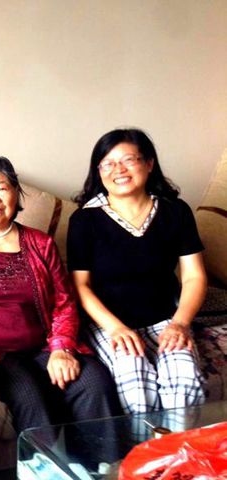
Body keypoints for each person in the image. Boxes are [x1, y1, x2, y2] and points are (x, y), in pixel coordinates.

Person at [0, 156, 120, 436]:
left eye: (2, 188)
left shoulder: (42, 244)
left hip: (42, 347)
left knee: (94, 382)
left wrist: (61, 348)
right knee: (30, 396)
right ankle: (43, 463)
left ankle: (104, 461)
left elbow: (64, 303)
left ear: (16, 194)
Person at [67, 128, 207, 414]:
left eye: (128, 160)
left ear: (149, 163)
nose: (118, 169)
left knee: (184, 382)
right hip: (109, 323)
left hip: (166, 318)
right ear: (98, 171)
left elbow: (194, 276)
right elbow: (81, 286)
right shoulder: (84, 220)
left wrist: (180, 323)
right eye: (107, 163)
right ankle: (144, 444)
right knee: (135, 381)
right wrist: (116, 328)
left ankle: (177, 445)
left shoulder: (175, 212)